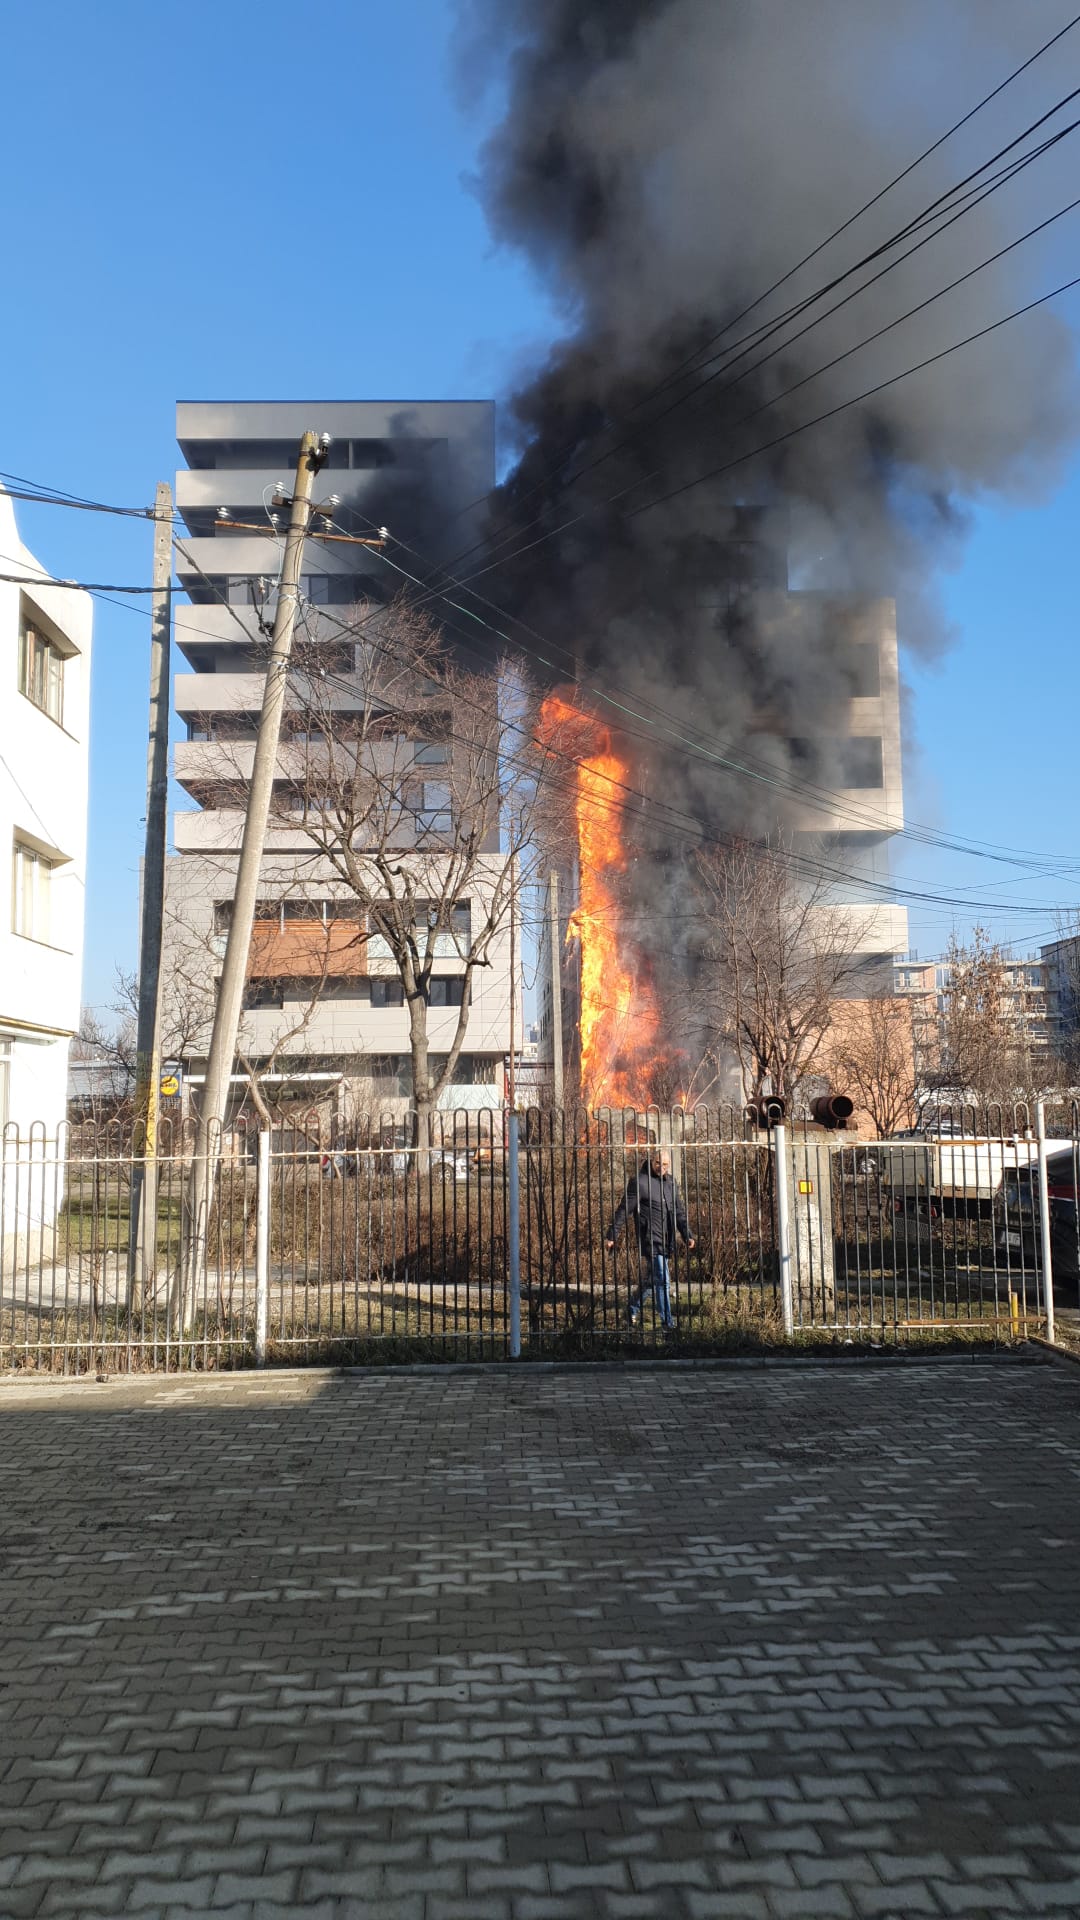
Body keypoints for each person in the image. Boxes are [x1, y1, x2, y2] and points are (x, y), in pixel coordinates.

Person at [605, 1146, 695, 1330]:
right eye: (658, 1163)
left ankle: (632, 1307)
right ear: (651, 1162)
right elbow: (624, 1209)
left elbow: (678, 1212)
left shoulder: (670, 1183)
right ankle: (667, 1323)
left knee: (653, 1279)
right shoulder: (640, 1182)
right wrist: (612, 1234)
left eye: (666, 1164)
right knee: (663, 1278)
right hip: (650, 1238)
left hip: (667, 1238)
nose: (662, 1167)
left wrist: (687, 1234)